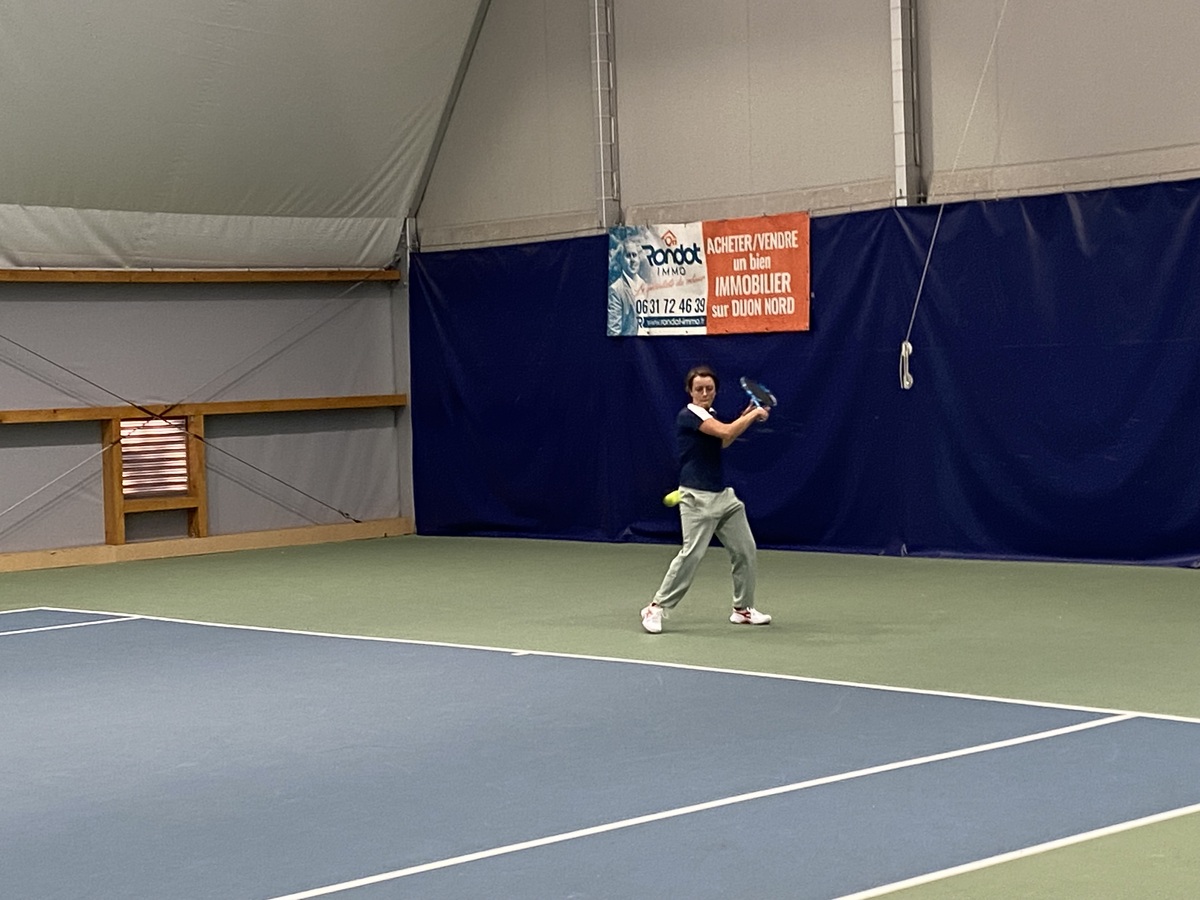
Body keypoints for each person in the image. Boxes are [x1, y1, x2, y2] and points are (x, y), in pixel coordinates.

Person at [641, 365, 772, 634]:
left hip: (723, 497)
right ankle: (655, 607)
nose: (704, 393)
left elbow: (723, 441)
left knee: (745, 550)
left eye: (709, 389)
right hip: (697, 498)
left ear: (715, 391)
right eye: (699, 389)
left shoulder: (710, 415)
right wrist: (754, 414)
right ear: (690, 391)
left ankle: (742, 609)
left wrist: (743, 417)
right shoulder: (689, 414)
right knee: (692, 554)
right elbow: (725, 432)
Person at [607, 237, 645, 336]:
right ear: (621, 260)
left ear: (639, 258)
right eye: (628, 256)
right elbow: (614, 333)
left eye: (634, 255)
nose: (632, 260)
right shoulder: (615, 290)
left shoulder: (645, 285)